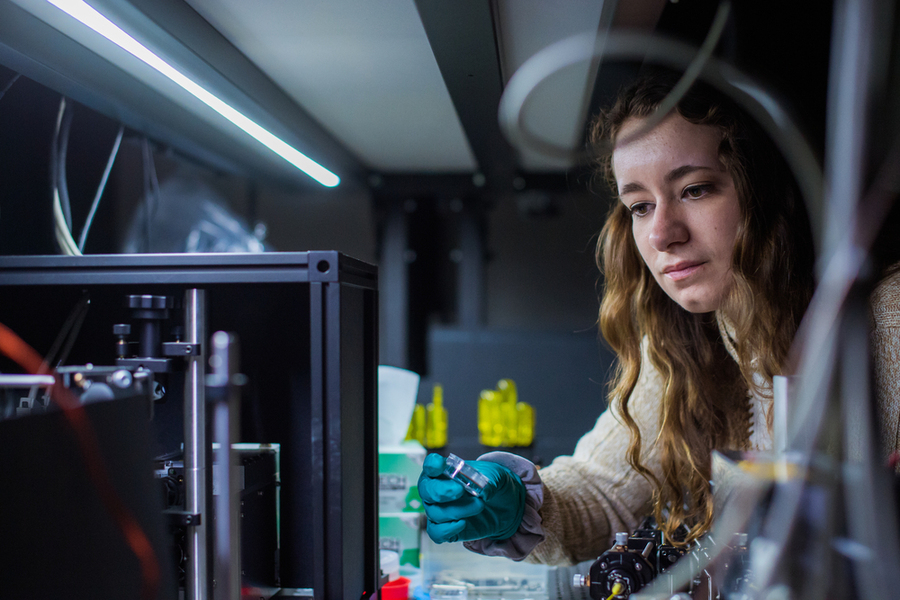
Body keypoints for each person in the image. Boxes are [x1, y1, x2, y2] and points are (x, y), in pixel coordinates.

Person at [417, 69, 891, 566]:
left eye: (696, 189)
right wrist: (516, 503)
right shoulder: (682, 338)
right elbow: (602, 492)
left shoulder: (887, 323)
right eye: (640, 206)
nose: (663, 233)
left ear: (768, 190)